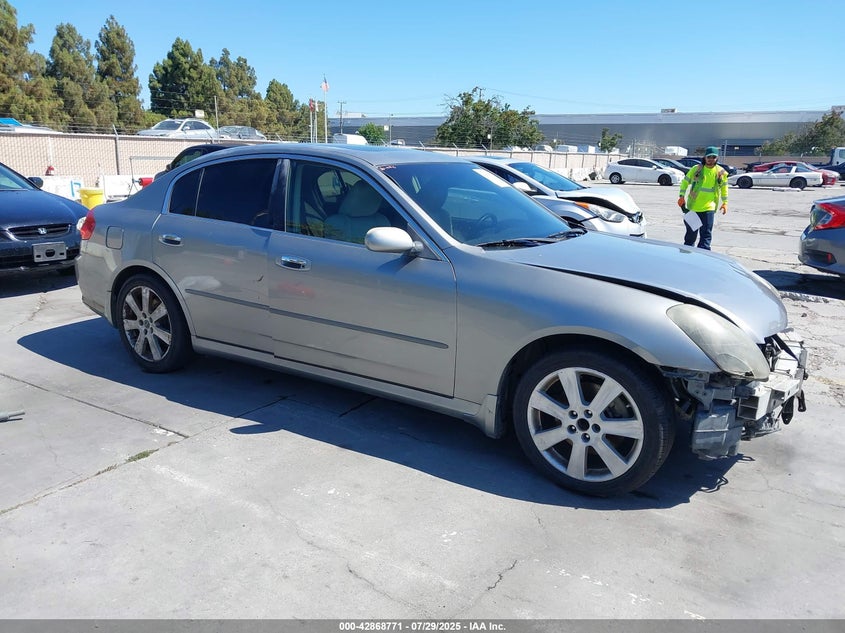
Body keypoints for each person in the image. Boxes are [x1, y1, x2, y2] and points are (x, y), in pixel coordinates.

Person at [677, 146, 728, 250]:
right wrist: (681, 196)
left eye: (714, 157)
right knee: (691, 234)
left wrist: (725, 202)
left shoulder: (720, 172)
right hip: (693, 207)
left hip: (709, 208)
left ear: (717, 158)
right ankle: (687, 255)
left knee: (706, 235)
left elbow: (724, 188)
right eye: (709, 157)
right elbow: (685, 182)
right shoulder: (697, 169)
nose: (711, 159)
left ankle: (704, 256)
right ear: (705, 157)